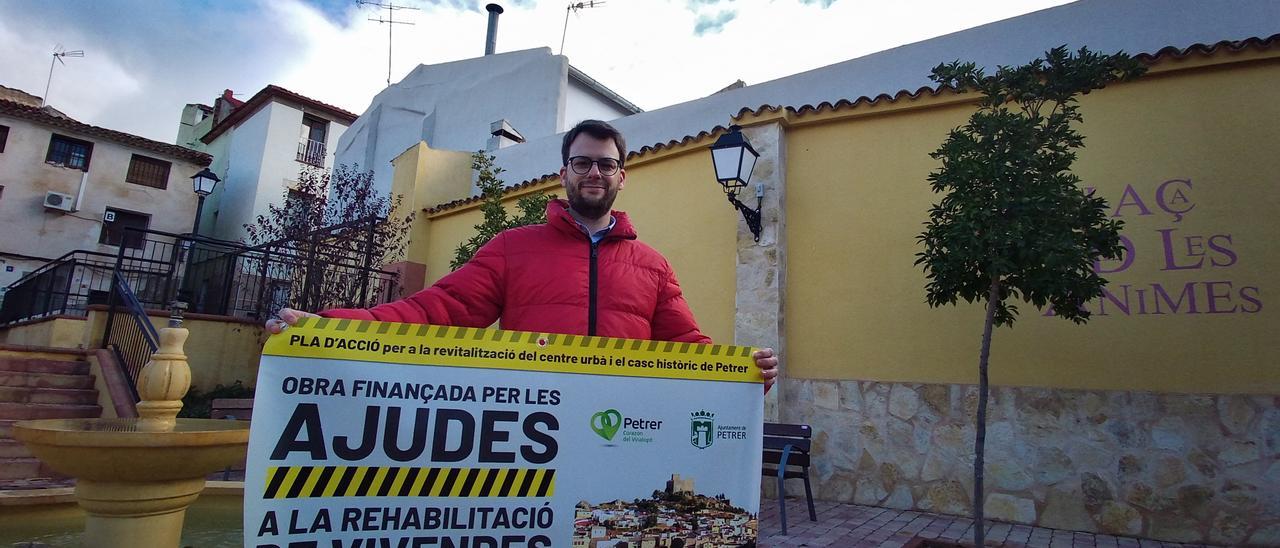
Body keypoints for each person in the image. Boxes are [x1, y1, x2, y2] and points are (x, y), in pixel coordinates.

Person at [267, 119, 778, 392]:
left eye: (606, 164)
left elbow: (686, 345)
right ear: (564, 173)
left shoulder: (653, 265)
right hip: (533, 431)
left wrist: (741, 376)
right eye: (582, 162)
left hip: (622, 428)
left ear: (623, 176)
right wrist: (329, 325)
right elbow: (433, 311)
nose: (593, 173)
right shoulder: (512, 247)